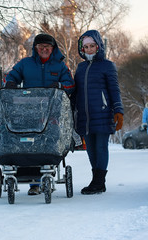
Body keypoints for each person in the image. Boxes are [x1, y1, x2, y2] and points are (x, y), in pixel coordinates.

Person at [5, 33, 75, 195]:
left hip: (53, 112)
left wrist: (59, 85)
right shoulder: (25, 63)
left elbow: (70, 84)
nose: (44, 49)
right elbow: (12, 75)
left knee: (48, 142)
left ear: (52, 49)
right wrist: (10, 82)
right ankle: (34, 183)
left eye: (47, 47)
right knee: (30, 143)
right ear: (35, 49)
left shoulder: (60, 66)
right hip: (30, 111)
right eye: (41, 47)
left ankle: (47, 174)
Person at [72, 30, 124, 195]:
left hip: (102, 112)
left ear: (98, 46)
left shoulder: (107, 66)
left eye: (92, 46)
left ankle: (99, 182)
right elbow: (76, 91)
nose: (89, 49)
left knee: (101, 147)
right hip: (85, 116)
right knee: (91, 149)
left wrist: (118, 110)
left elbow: (114, 90)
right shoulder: (80, 67)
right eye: (86, 47)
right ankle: (96, 181)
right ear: (82, 48)